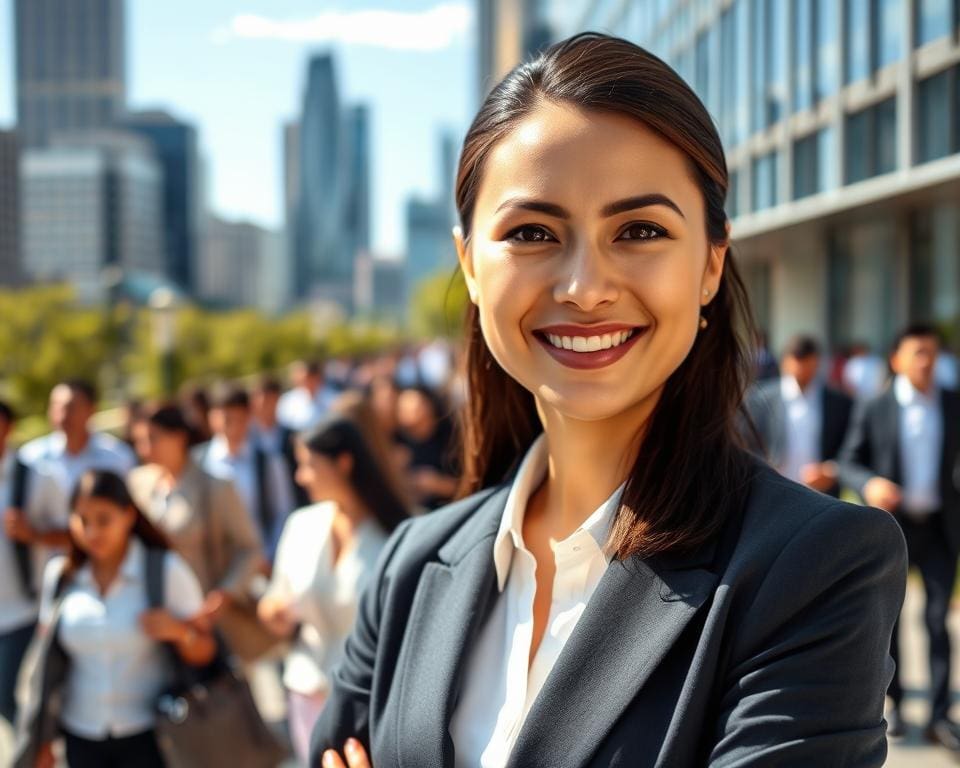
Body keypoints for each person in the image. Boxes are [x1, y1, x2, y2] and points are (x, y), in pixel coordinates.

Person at [311, 34, 905, 768]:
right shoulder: (411, 567)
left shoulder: (813, 566)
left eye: (640, 231)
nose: (585, 287)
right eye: (532, 232)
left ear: (711, 264)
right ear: (469, 263)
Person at [18, 469, 215, 768]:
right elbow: (49, 665)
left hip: (152, 735)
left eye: (104, 520)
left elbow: (207, 651)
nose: (92, 532)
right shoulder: (60, 577)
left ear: (129, 515)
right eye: (82, 521)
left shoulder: (166, 570)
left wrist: (180, 632)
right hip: (81, 736)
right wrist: (42, 740)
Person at [257, 416, 409, 764]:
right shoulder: (301, 524)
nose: (301, 477)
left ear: (343, 463)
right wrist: (273, 612)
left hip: (370, 701)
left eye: (309, 465)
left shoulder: (395, 536)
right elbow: (278, 594)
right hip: (306, 690)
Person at [838, 323, 960, 751]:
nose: (926, 362)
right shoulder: (877, 407)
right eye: (918, 353)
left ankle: (941, 715)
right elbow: (849, 460)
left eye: (932, 353)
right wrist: (870, 482)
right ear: (897, 360)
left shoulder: (952, 402)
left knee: (937, 621)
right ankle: (899, 706)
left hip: (942, 527)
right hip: (895, 528)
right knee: (889, 621)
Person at [126, 404, 263, 633]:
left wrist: (226, 593)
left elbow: (250, 548)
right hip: (158, 613)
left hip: (205, 616)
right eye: (139, 441)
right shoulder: (139, 484)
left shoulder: (215, 486)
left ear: (179, 437)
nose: (145, 449)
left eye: (153, 438)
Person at [9, 380, 136, 553]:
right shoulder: (29, 459)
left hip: (107, 571)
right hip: (48, 570)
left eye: (70, 408)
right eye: (56, 407)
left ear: (91, 409)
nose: (62, 416)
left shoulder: (118, 457)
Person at [742, 334, 853, 495]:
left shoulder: (838, 402)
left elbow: (849, 446)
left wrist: (832, 469)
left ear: (817, 362)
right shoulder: (761, 399)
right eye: (796, 360)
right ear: (785, 362)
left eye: (807, 360)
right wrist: (764, 468)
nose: (800, 367)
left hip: (822, 496)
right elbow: (746, 444)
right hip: (772, 492)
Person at [198, 385, 295, 562]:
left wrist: (270, 556)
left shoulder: (269, 461)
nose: (231, 427)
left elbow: (283, 513)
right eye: (225, 419)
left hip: (263, 561)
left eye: (237, 419)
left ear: (249, 418)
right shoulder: (198, 462)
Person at [395, 386, 460, 510]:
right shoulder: (401, 447)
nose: (410, 411)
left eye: (416, 406)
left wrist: (438, 484)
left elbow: (471, 483)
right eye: (403, 408)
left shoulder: (453, 436)